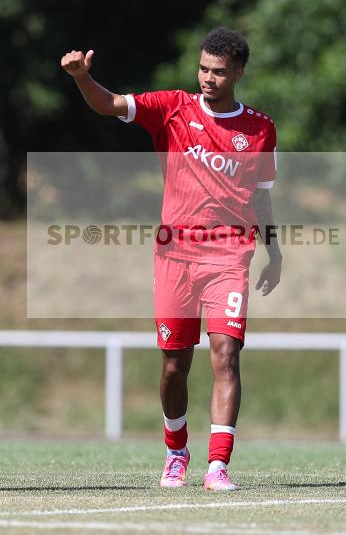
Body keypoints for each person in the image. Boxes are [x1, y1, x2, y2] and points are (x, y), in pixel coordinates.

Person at [61, 28, 282, 491]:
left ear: (239, 73)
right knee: (173, 365)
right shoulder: (172, 108)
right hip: (175, 255)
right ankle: (176, 451)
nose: (208, 78)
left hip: (229, 256)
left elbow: (261, 200)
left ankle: (218, 465)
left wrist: (273, 250)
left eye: (219, 72)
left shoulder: (260, 129)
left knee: (226, 356)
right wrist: (83, 78)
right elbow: (108, 105)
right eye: (203, 68)